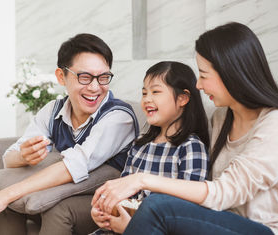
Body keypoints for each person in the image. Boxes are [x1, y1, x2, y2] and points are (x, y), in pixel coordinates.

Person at [93, 22, 278, 235]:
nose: (198, 85)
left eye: (204, 75)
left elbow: (224, 192)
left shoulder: (276, 123)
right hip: (219, 223)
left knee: (158, 206)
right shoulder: (221, 118)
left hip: (269, 231)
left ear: (231, 72)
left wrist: (141, 180)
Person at [0, 33, 139, 232]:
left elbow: (74, 165)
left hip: (107, 204)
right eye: (84, 77)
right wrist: (23, 156)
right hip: (66, 192)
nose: (94, 87)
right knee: (10, 204)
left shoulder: (118, 117)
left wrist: (2, 196)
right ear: (61, 77)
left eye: (103, 77)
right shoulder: (53, 110)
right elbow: (9, 160)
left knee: (49, 207)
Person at [90, 61, 210, 234]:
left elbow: (187, 213)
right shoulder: (140, 145)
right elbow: (123, 195)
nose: (147, 99)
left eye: (156, 92)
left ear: (183, 98)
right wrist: (104, 211)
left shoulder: (191, 147)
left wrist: (132, 228)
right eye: (144, 93)